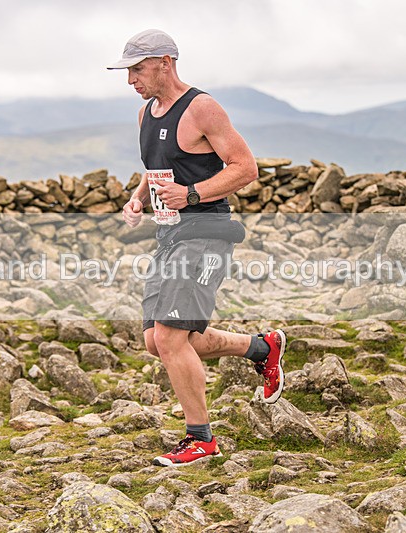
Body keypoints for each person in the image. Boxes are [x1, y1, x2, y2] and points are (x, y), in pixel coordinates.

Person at [108, 29, 286, 467]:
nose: (130, 79)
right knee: (158, 341)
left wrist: (191, 195)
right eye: (127, 71)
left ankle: (200, 439)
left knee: (170, 336)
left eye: (136, 68)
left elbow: (245, 168)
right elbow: (157, 170)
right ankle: (261, 348)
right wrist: (138, 196)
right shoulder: (145, 114)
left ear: (165, 62)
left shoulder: (202, 108)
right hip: (170, 236)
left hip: (206, 232)